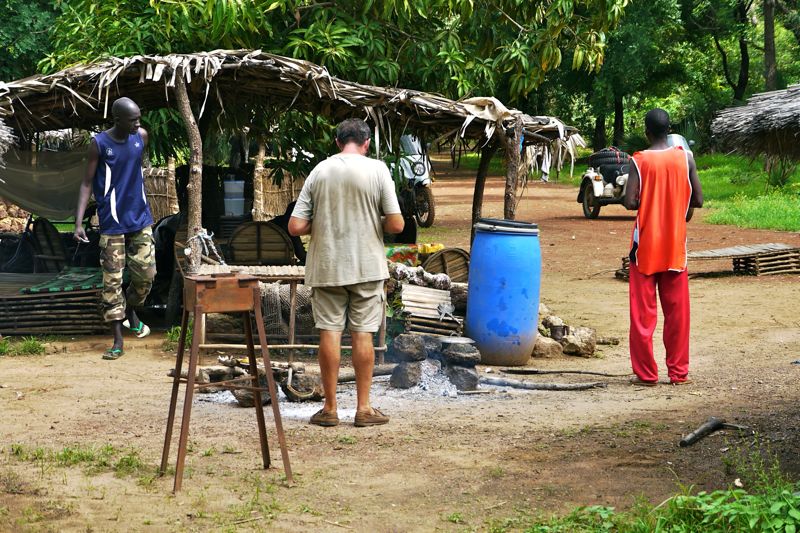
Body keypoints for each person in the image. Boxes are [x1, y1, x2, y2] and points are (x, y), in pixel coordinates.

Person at [288, 118, 404, 427]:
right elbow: (396, 224)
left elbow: (295, 226)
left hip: (327, 265)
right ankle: (364, 408)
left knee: (330, 331)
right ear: (366, 143)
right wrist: (370, 221)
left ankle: (329, 408)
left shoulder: (320, 171)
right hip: (366, 266)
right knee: (362, 333)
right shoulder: (378, 170)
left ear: (338, 143)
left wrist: (323, 221)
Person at [623, 108, 703, 385]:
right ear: (670, 130)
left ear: (647, 132)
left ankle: (646, 375)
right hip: (674, 247)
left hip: (645, 247)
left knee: (643, 317)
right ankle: (679, 374)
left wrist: (646, 196)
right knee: (678, 316)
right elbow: (699, 200)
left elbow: (629, 201)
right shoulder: (685, 158)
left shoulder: (639, 160)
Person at [74, 97, 156, 360]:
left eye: (139, 118)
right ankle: (118, 341)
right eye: (133, 119)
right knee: (112, 281)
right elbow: (87, 183)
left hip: (140, 218)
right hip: (112, 223)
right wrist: (78, 222)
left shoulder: (140, 137)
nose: (138, 123)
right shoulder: (99, 144)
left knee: (146, 274)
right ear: (117, 119)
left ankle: (131, 309)